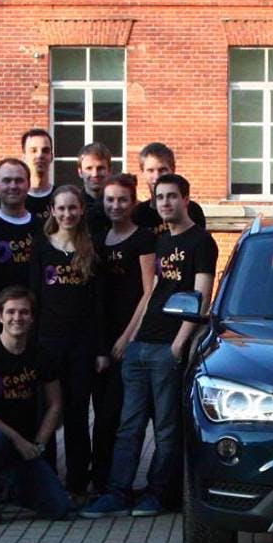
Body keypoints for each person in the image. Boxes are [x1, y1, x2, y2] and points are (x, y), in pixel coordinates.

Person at [82, 173, 215, 519]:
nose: (166, 203)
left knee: (167, 428)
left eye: (172, 196)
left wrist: (178, 345)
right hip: (142, 345)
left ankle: (158, 494)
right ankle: (117, 492)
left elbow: (202, 297)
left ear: (186, 200)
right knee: (129, 425)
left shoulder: (201, 241)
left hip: (168, 347)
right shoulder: (162, 243)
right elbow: (151, 294)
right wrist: (129, 337)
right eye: (160, 198)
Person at [0, 287, 71, 524]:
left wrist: (38, 444)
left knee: (60, 507)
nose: (16, 318)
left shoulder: (41, 354)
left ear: (32, 317)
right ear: (0, 316)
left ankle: (8, 486)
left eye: (23, 312)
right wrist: (18, 440)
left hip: (23, 444)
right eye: (10, 312)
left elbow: (55, 404)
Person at [33, 185, 103, 497]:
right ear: (52, 210)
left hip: (82, 346)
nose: (67, 214)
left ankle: (76, 482)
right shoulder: (41, 246)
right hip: (47, 343)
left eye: (73, 208)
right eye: (61, 208)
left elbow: (99, 305)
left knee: (76, 414)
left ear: (82, 210)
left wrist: (101, 349)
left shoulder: (91, 248)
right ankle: (46, 479)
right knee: (47, 410)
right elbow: (33, 297)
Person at [89, 173, 154, 498]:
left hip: (130, 341)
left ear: (134, 203)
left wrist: (127, 337)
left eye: (122, 200)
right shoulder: (97, 241)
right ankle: (99, 481)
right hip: (101, 339)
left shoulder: (143, 239)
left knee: (123, 417)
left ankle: (120, 485)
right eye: (110, 200)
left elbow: (148, 292)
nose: (116, 205)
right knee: (102, 416)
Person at [0, 157, 40, 300]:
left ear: (28, 184)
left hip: (36, 314)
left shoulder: (43, 227)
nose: (13, 186)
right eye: (6, 180)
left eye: (19, 180)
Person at [131, 142, 207, 232]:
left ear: (173, 169)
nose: (157, 176)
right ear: (142, 172)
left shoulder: (191, 210)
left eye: (162, 170)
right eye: (150, 170)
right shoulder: (138, 213)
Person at [77, 141, 115, 237]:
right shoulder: (74, 205)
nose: (95, 174)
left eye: (100, 168)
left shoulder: (120, 205)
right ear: (80, 172)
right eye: (89, 168)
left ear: (110, 170)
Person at [22, 128, 57, 222]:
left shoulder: (60, 197)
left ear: (51, 157)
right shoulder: (14, 199)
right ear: (24, 157)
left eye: (45, 151)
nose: (40, 155)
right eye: (33, 151)